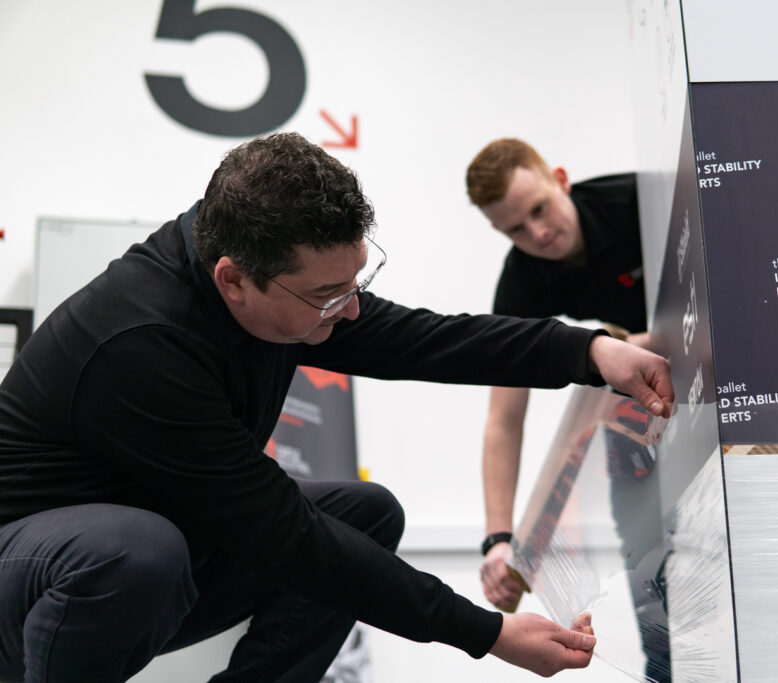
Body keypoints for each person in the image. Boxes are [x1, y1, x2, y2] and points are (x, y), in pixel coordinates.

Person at [0, 132, 673, 683]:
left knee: (365, 514)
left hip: (154, 560)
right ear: (234, 280)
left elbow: (428, 340)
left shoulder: (266, 274)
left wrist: (591, 352)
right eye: (329, 295)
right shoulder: (143, 347)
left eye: (356, 282)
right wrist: (487, 632)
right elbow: (283, 532)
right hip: (38, 578)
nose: (349, 309)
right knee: (138, 551)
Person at [466, 138, 671, 682]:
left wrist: (618, 346)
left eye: (540, 209)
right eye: (515, 229)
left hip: (722, 399)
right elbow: (503, 418)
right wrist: (498, 540)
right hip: (639, 425)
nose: (537, 234)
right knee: (655, 594)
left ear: (560, 179)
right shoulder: (523, 278)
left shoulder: (640, 203)